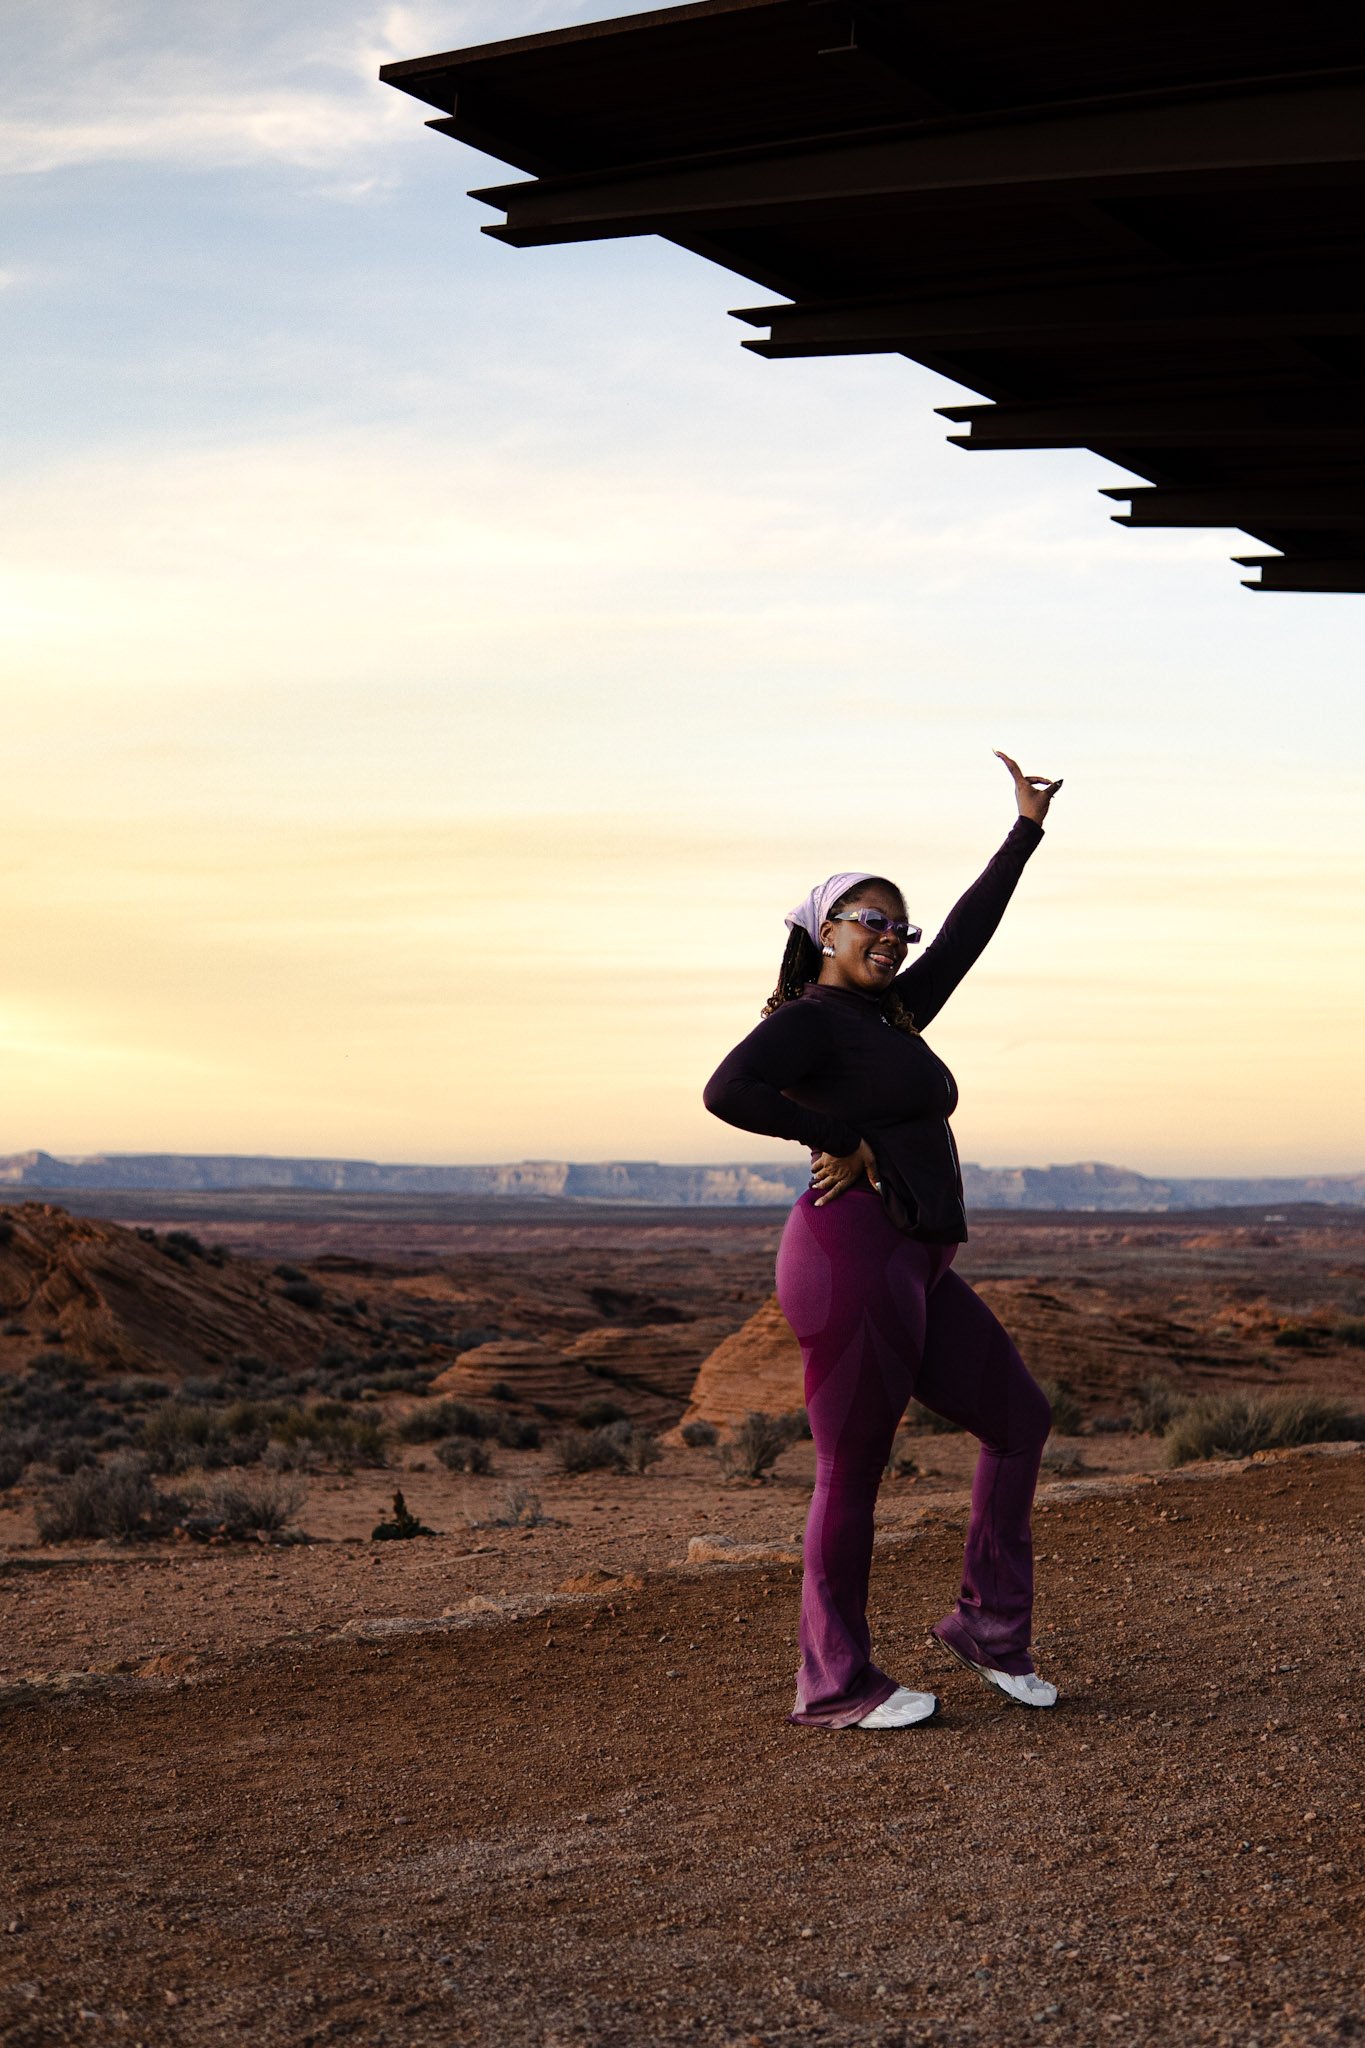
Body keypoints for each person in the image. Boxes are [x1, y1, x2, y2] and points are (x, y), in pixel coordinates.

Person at [702, 750, 1063, 1730]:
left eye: (901, 927)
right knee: (852, 1467)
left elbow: (967, 935)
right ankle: (834, 1682)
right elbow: (728, 1089)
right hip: (850, 1253)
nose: (892, 938)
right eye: (871, 920)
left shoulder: (894, 1018)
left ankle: (989, 1626)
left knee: (1018, 1420)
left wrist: (1024, 831)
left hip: (918, 1257)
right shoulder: (813, 1020)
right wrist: (836, 1136)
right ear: (825, 931)